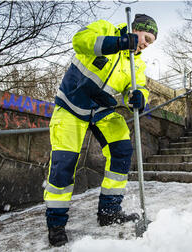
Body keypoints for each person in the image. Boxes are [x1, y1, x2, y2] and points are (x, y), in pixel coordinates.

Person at [43, 14, 158, 247]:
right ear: (134, 29)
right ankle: (56, 224)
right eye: (145, 37)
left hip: (101, 108)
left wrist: (138, 98)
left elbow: (139, 89)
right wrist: (118, 43)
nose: (146, 44)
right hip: (72, 103)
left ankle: (109, 212)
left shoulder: (137, 63)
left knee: (122, 149)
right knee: (64, 162)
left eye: (151, 42)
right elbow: (80, 41)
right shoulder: (106, 29)